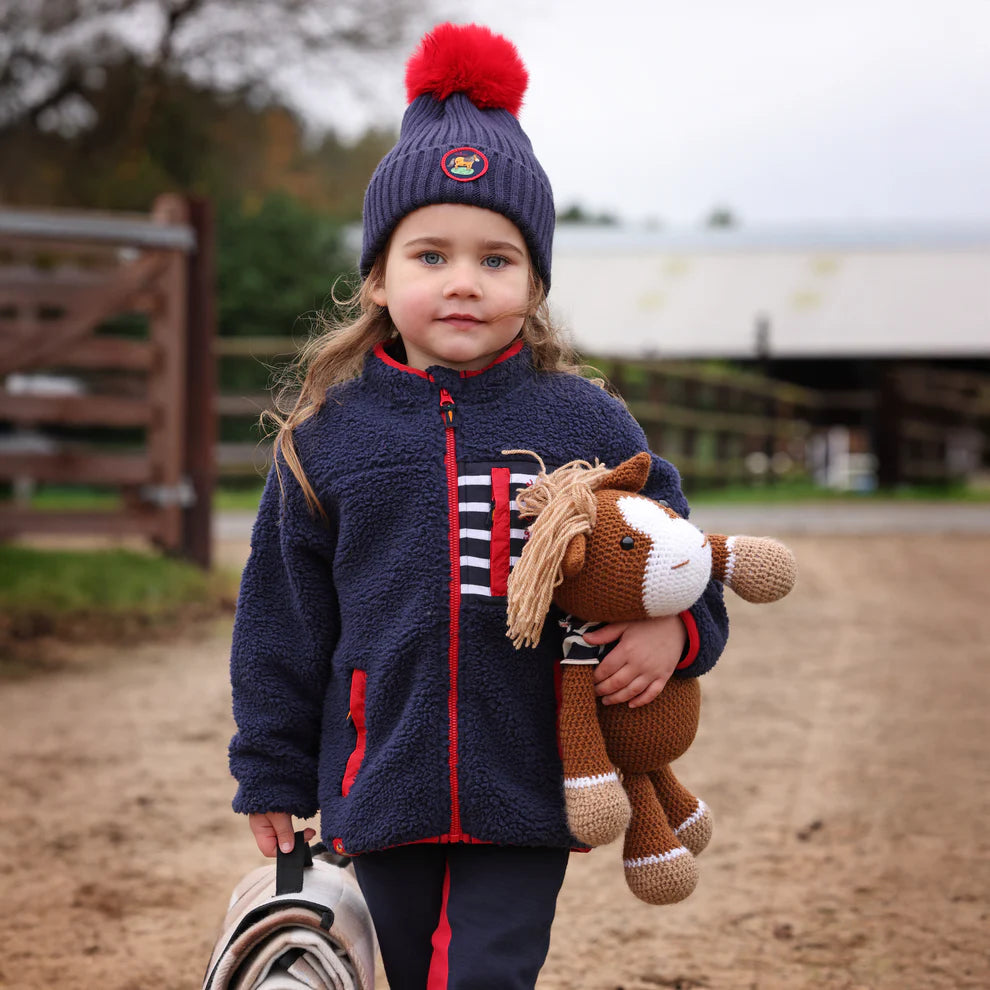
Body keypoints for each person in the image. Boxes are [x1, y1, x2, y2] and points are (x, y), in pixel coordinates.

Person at [228, 21, 728, 990]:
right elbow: (280, 620)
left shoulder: (585, 421)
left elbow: (680, 554)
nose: (464, 282)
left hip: (530, 777)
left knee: (486, 973)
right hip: (381, 778)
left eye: (497, 260)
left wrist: (677, 632)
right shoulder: (328, 436)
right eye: (431, 256)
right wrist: (272, 771)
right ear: (379, 278)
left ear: (535, 283)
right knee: (416, 972)